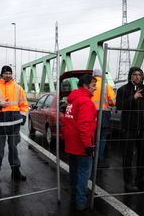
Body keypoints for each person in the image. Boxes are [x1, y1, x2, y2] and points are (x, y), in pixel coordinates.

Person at [0, 65, 29, 187]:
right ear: (2, 74)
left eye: (10, 73)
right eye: (6, 73)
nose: (8, 75)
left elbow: (24, 104)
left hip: (14, 125)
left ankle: (16, 171)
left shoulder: (18, 87)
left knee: (14, 149)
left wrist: (23, 117)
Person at [62, 74, 97, 211]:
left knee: (74, 170)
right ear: (85, 85)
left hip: (71, 143)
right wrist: (88, 145)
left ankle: (74, 193)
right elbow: (84, 125)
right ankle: (81, 201)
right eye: (93, 85)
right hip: (82, 144)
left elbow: (66, 121)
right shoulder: (86, 102)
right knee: (84, 172)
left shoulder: (72, 100)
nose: (95, 88)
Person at [116, 67, 144, 192]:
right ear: (130, 76)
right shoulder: (122, 89)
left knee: (143, 154)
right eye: (135, 74)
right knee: (128, 156)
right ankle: (128, 182)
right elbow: (119, 106)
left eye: (139, 74)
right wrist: (133, 97)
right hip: (128, 127)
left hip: (142, 127)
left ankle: (140, 177)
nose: (137, 76)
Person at [91, 69, 116, 168]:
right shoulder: (106, 86)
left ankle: (91, 160)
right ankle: (99, 161)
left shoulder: (91, 85)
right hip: (104, 113)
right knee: (102, 138)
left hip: (91, 113)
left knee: (92, 137)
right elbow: (113, 102)